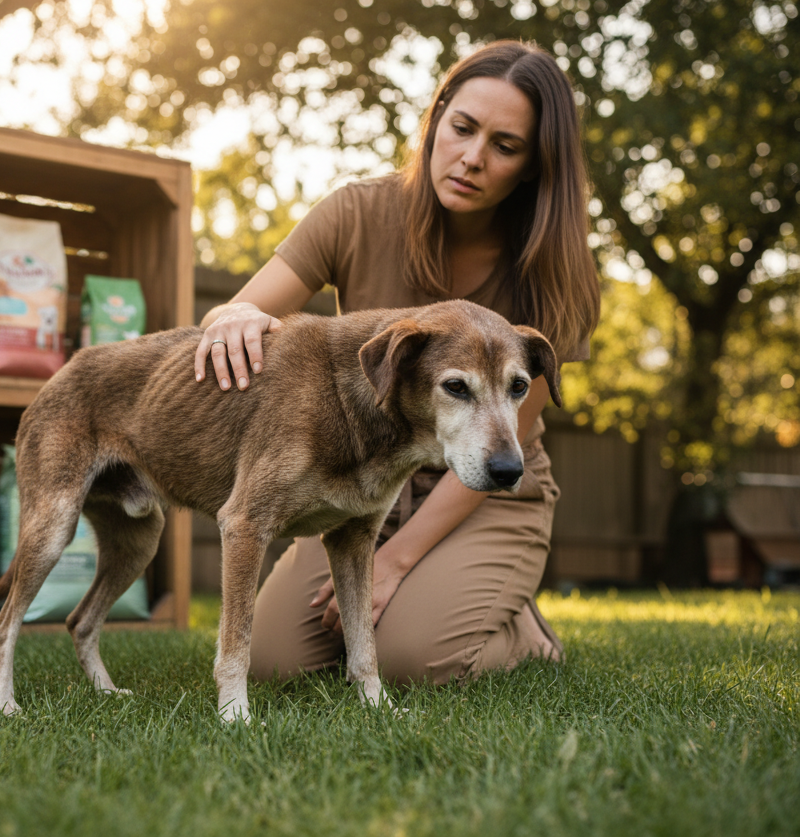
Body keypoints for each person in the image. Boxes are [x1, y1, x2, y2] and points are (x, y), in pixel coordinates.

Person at [193, 39, 600, 686]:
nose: (471, 158)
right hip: (356, 478)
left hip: (485, 491)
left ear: (532, 165)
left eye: (505, 145)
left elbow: (510, 435)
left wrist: (398, 562)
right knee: (278, 664)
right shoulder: (356, 212)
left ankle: (521, 627)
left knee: (416, 660)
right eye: (462, 128)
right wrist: (231, 316)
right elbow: (236, 317)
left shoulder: (556, 272)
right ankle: (437, 600)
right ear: (437, 118)